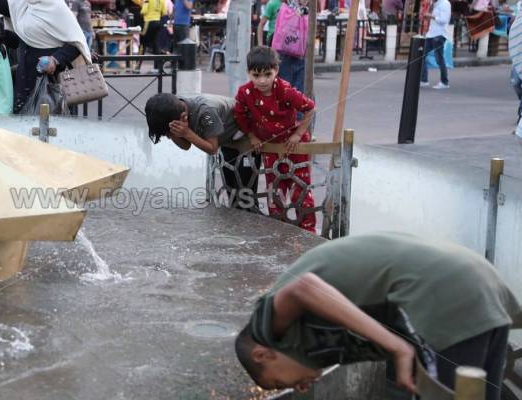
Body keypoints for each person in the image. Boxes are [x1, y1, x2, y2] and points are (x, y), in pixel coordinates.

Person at [235, 232, 522, 400]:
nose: (298, 388)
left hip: (445, 296)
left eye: (277, 384)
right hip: (474, 279)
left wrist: (398, 348)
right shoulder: (308, 343)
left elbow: (305, 287)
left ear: (263, 355)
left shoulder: (268, 327)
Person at [233, 46, 316, 232]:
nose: (262, 80)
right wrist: (252, 136)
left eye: (267, 75)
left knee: (300, 189)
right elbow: (240, 115)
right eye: (256, 75)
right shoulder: (245, 93)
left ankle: (309, 232)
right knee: (275, 189)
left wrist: (298, 134)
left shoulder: (286, 90)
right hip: (270, 147)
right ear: (248, 73)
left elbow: (310, 108)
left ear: (276, 71)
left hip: (294, 146)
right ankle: (277, 230)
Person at [0, 0, 91, 113]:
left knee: (53, 131)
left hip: (51, 82)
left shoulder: (55, 6)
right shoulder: (18, 4)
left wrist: (55, 60)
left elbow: (76, 43)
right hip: (25, 80)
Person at [144, 93, 260, 208]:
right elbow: (186, 146)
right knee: (232, 189)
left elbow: (212, 148)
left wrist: (187, 133)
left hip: (248, 134)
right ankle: (240, 220)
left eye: (169, 132)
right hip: (228, 140)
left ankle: (251, 218)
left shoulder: (206, 113)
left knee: (245, 191)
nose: (169, 136)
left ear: (183, 115)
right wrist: (175, 134)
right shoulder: (176, 108)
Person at [420, 0, 451, 89]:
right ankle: (424, 80)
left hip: (439, 34)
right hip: (431, 34)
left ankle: (444, 82)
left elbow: (443, 20)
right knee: (421, 55)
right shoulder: (434, 4)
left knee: (439, 59)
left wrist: (431, 16)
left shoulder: (445, 3)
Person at [141, 0, 168, 68]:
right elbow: (164, 12)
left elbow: (143, 11)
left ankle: (137, 66)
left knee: (142, 45)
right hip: (158, 22)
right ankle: (157, 67)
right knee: (156, 45)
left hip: (148, 22)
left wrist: (143, 3)